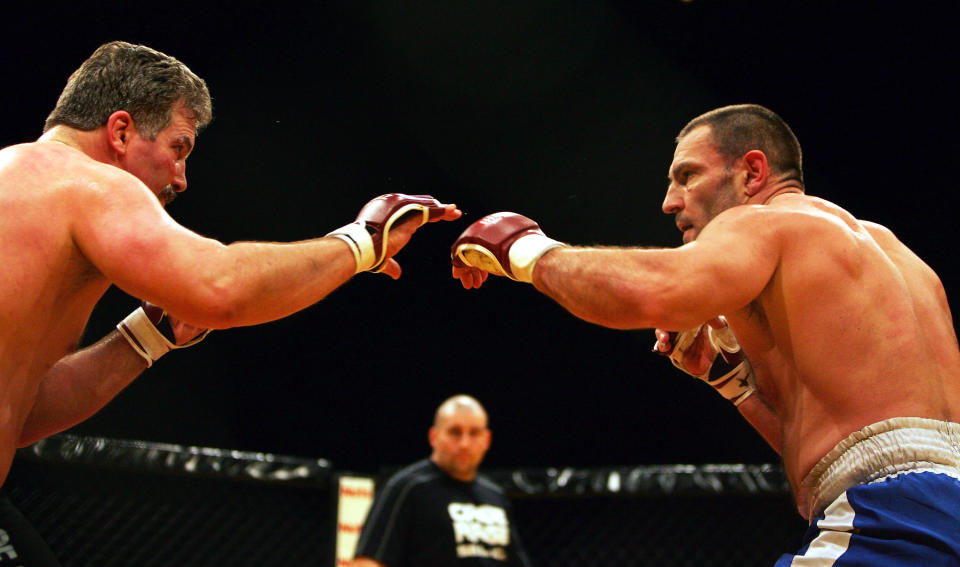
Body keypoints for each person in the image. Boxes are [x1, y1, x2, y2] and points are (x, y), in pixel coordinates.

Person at [0, 41, 461, 564]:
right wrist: (360, 242)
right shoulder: (86, 183)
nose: (180, 179)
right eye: (179, 148)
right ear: (122, 131)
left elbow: (23, 414)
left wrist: (149, 336)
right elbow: (220, 288)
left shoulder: (25, 185)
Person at [450, 104, 960, 565]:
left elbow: (653, 293)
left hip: (888, 519)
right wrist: (735, 384)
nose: (670, 202)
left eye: (687, 176)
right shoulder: (904, 261)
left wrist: (527, 252)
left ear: (752, 171)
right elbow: (829, 455)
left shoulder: (765, 224)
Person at [351, 395, 533, 567]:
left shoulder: (495, 496)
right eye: (455, 432)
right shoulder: (408, 487)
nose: (464, 444)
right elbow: (367, 561)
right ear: (434, 437)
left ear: (487, 440)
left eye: (474, 433)